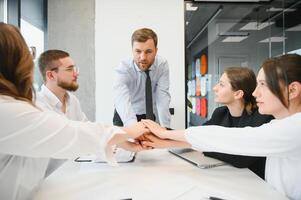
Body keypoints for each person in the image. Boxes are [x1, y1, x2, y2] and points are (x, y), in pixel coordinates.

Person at [0, 22, 148, 200]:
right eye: (27, 54)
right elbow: (70, 133)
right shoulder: (12, 110)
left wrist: (120, 140)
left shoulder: (69, 101)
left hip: (50, 185)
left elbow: (85, 127)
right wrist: (130, 131)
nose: (76, 73)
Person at [143, 54, 301, 200]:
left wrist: (164, 134)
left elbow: (231, 142)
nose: (255, 93)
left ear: (292, 90)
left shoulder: (295, 128)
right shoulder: (278, 124)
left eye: (262, 84)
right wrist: (164, 140)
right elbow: (210, 137)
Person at [143, 67, 274, 179]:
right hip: (229, 177)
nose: (215, 88)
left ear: (238, 94)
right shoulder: (220, 113)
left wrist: (205, 146)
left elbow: (240, 159)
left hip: (254, 183)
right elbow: (198, 136)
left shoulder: (261, 118)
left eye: (222, 85)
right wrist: (160, 136)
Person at [113, 28, 171, 128]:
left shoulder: (162, 65)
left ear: (156, 51)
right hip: (126, 113)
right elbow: (121, 98)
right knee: (123, 142)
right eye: (138, 51)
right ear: (132, 50)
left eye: (148, 51)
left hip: (148, 113)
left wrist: (165, 127)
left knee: (153, 141)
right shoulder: (123, 68)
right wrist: (133, 127)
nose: (143, 57)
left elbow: (162, 97)